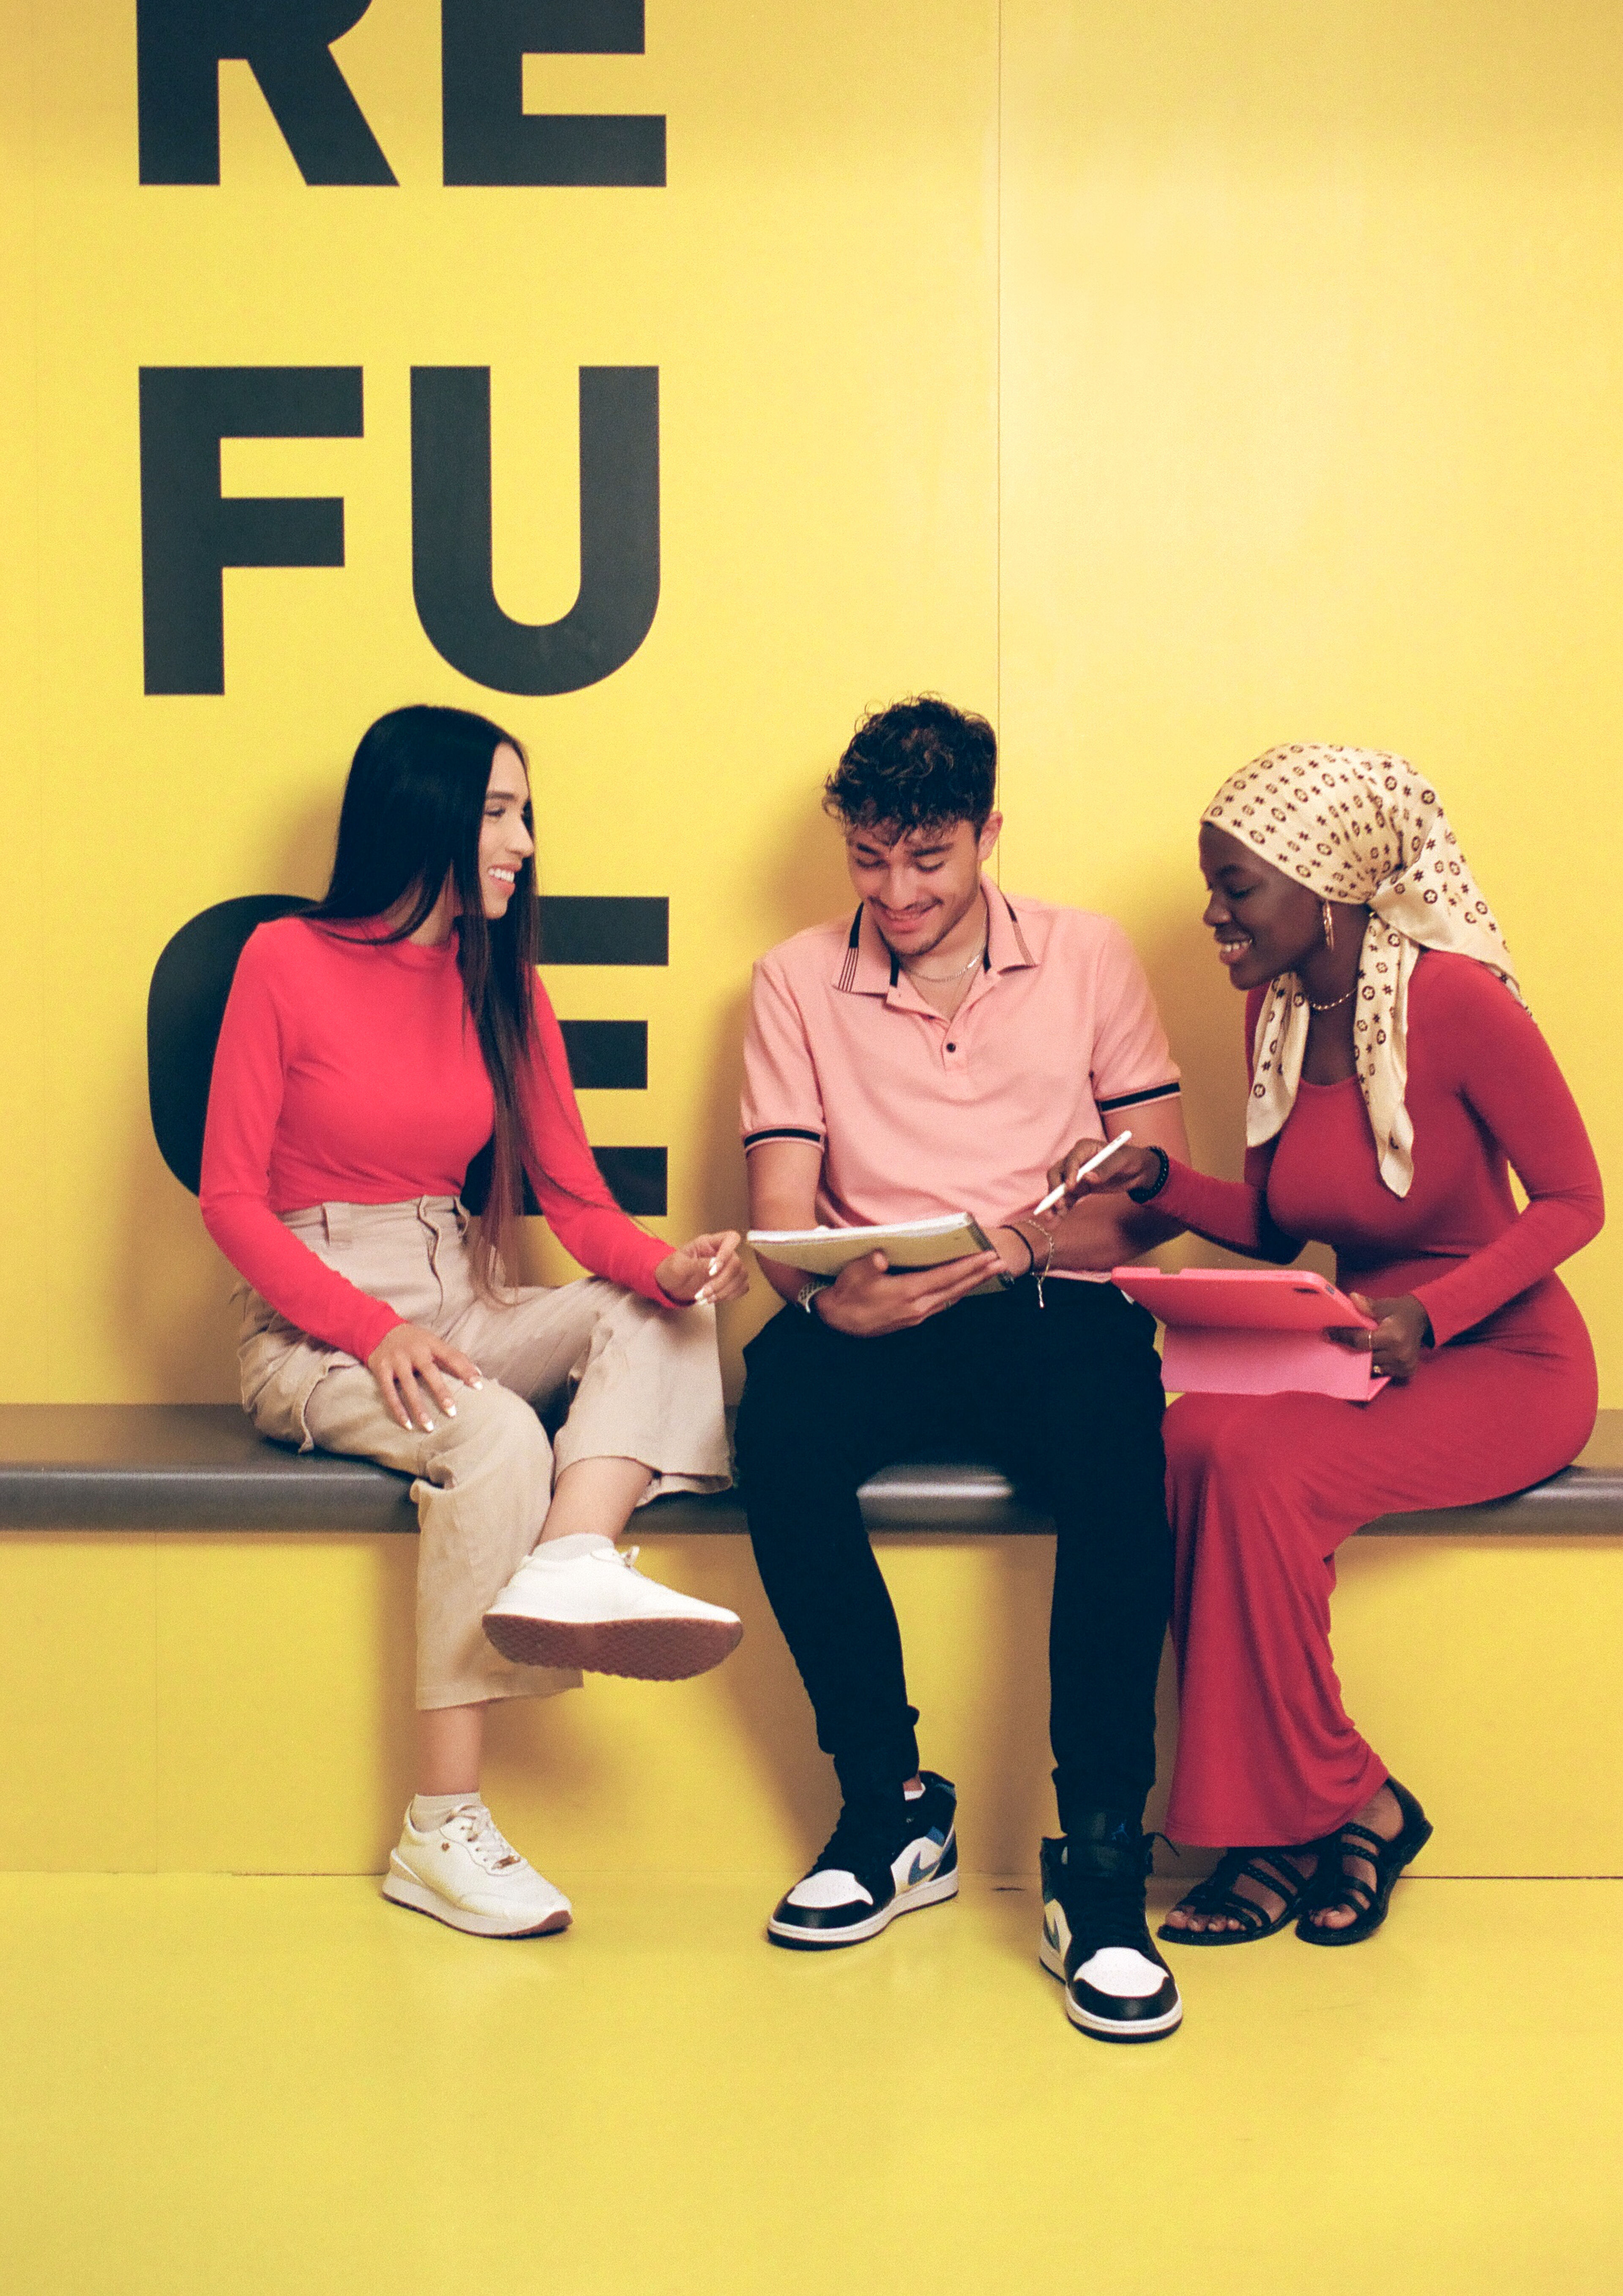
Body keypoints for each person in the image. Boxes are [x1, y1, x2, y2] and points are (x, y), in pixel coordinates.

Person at [199, 705, 749, 1941]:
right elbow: (231, 1200)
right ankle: (439, 1830)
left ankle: (571, 1561)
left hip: (465, 1290)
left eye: (524, 815)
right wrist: (365, 1330)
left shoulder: (504, 986)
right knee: (493, 1431)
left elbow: (578, 1203)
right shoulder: (284, 960)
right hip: (317, 1323)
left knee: (652, 1322)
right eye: (500, 813)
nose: (523, 842)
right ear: (427, 816)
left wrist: (671, 1269)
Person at [1048, 742, 1603, 1949]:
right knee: (1195, 1437)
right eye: (1212, 885)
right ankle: (1336, 1812)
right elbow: (1287, 1225)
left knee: (1260, 1464)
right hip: (1361, 1345)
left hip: (1503, 1360)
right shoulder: (1280, 1011)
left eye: (1237, 888)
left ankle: (1299, 1826)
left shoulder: (1458, 1003)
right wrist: (1160, 1182)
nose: (1212, 913)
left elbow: (1575, 1201)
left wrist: (1436, 1313)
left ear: (1325, 891)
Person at [734, 695, 1191, 2043]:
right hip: (878, 1300)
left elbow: (1150, 1191)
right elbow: (780, 1212)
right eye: (870, 860)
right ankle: (889, 1809)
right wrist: (836, 1297)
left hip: (1049, 1293)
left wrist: (1021, 1241)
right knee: (782, 1433)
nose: (898, 891)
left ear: (988, 834)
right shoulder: (792, 979)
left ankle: (1101, 1864)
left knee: (1121, 1460)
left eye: (927, 860)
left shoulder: (1092, 957)